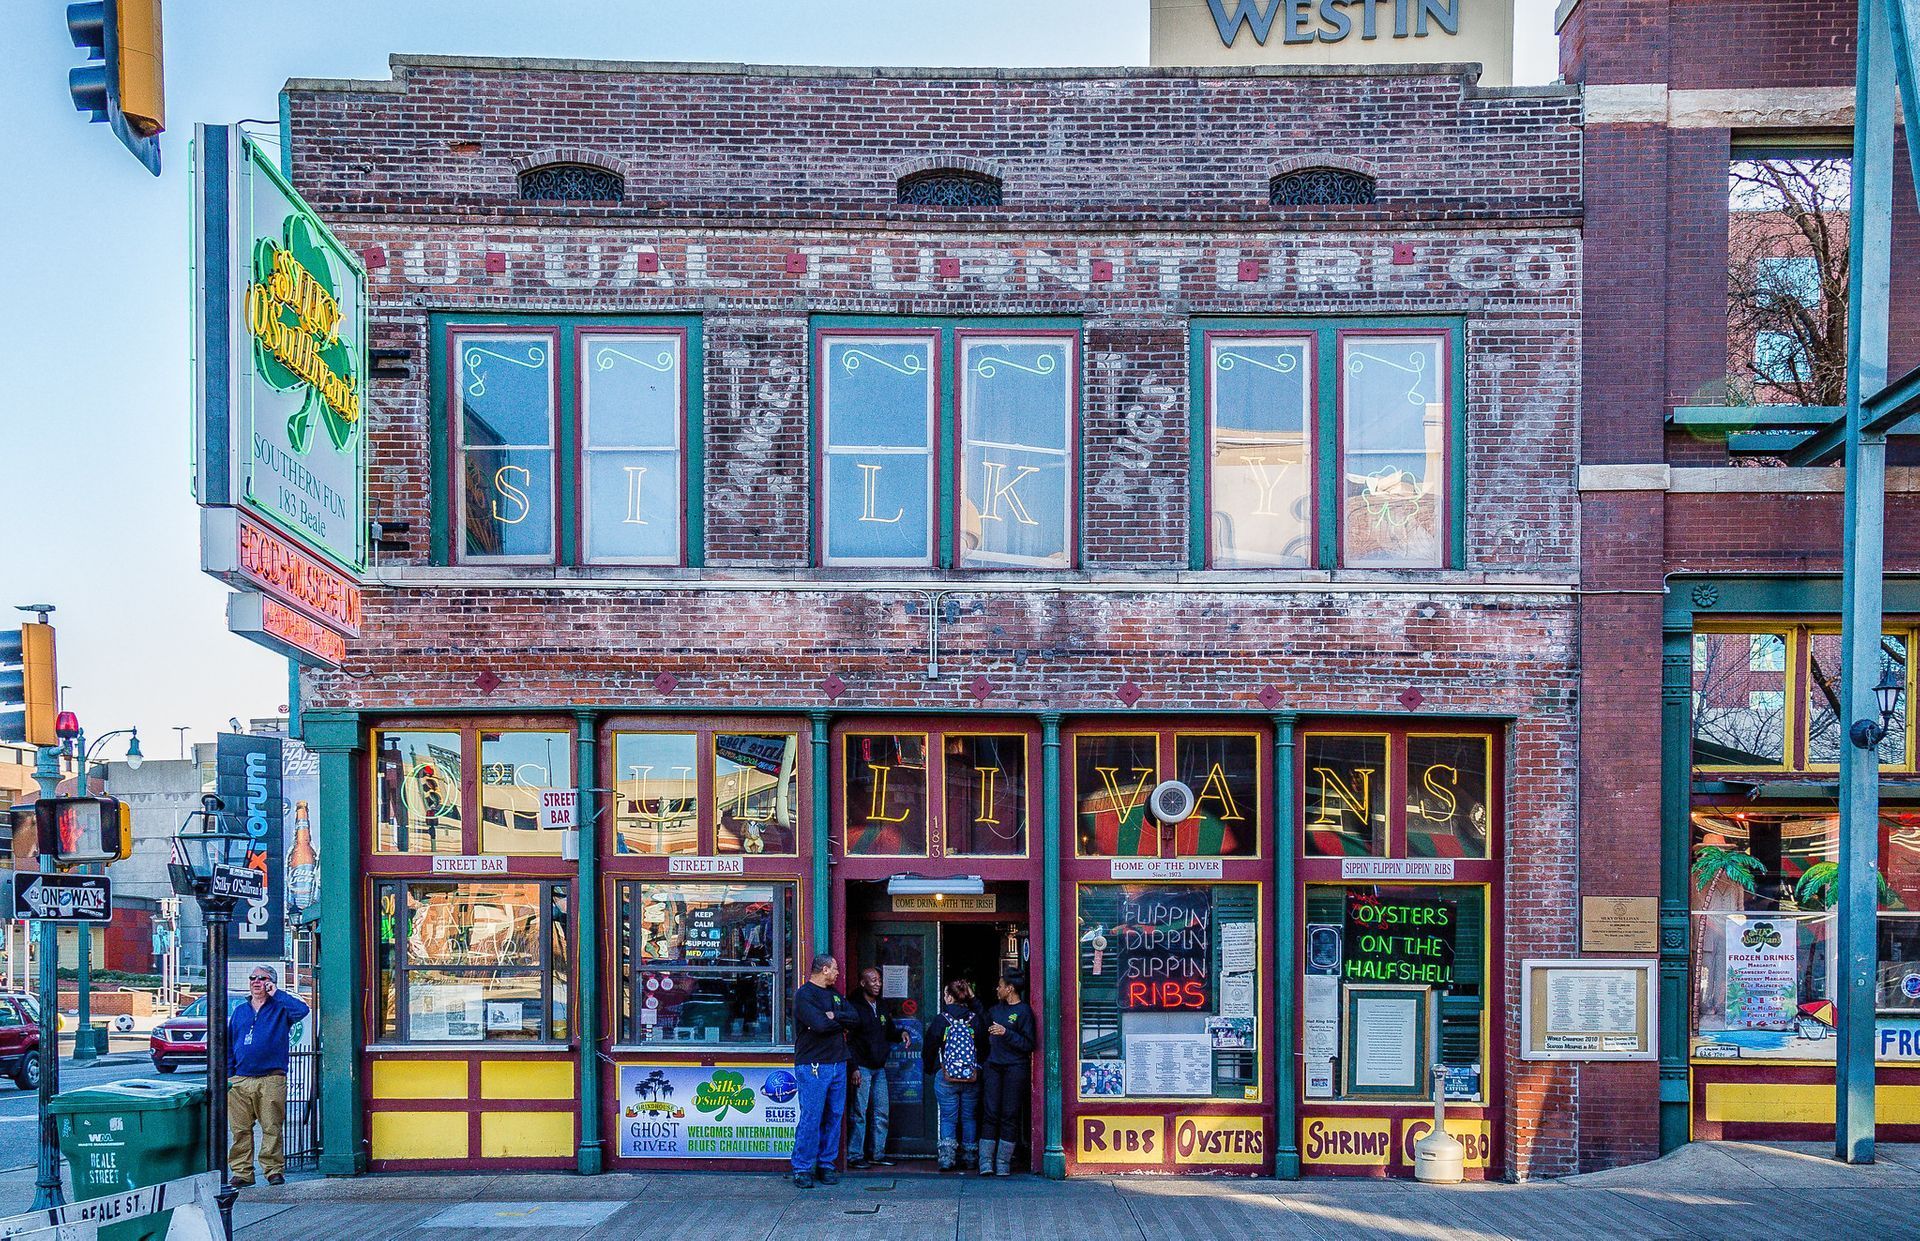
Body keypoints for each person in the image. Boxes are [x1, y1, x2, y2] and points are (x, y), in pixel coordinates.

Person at [227, 965, 311, 1188]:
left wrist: (276, 993)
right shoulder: (240, 1011)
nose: (256, 981)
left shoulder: (281, 1008)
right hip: (241, 1079)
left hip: (271, 1078)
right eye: (253, 977)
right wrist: (230, 1075)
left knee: (271, 1127)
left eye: (262, 978)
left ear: (271, 982)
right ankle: (242, 1172)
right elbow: (229, 1042)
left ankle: (273, 1170)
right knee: (240, 1129)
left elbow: (302, 1011)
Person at [789, 953, 849, 1188]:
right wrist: (838, 1022)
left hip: (838, 1062)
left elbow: (855, 1018)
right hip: (813, 1064)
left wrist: (836, 1016)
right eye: (835, 968)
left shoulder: (834, 996)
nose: (837, 973)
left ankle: (826, 1164)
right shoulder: (804, 996)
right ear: (824, 969)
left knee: (834, 1115)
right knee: (812, 1116)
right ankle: (802, 1167)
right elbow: (820, 1026)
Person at [845, 967, 909, 1169]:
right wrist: (853, 1067)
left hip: (879, 1068)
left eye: (879, 980)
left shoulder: (881, 1005)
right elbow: (848, 1040)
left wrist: (901, 1034)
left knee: (881, 1111)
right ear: (863, 983)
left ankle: (877, 1153)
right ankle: (855, 1155)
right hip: (861, 1067)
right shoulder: (853, 1006)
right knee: (859, 1112)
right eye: (873, 980)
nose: (878, 984)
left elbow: (888, 1031)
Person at [978, 970, 1036, 1177]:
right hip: (993, 1066)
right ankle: (985, 1162)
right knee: (990, 1113)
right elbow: (982, 1034)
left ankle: (1003, 1162)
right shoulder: (994, 1011)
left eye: (1000, 985)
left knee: (1009, 1114)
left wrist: (1007, 1033)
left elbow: (1029, 1044)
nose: (997, 989)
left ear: (1009, 988)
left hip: (1015, 1068)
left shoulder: (1024, 1012)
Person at [921, 978, 982, 1173]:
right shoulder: (975, 1018)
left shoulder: (942, 1019)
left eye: (946, 994)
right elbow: (986, 1045)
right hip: (971, 1075)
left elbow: (929, 1046)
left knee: (948, 1118)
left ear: (949, 996)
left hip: (946, 1075)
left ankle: (947, 1159)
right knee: (969, 1117)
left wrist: (931, 1068)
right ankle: (971, 1157)